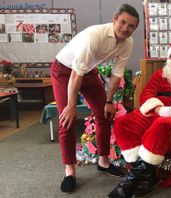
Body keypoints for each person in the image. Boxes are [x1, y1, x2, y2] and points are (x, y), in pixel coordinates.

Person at [50, 4, 139, 194]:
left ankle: (103, 161)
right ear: (115, 19)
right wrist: (72, 105)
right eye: (123, 22)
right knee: (67, 118)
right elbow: (75, 74)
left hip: (88, 71)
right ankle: (70, 170)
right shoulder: (94, 36)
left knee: (104, 114)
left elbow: (117, 74)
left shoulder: (128, 42)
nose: (125, 28)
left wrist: (108, 101)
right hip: (64, 71)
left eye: (131, 26)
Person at [108, 43, 171, 198]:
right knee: (123, 123)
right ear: (168, 58)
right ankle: (146, 176)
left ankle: (129, 183)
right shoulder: (160, 74)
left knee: (162, 125)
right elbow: (146, 94)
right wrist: (159, 109)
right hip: (155, 111)